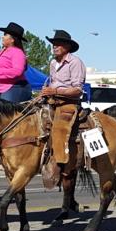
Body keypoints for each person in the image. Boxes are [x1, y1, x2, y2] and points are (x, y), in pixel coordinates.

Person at [40, 30, 86, 170]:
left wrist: (55, 91)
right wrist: (46, 92)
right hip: (52, 100)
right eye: (53, 44)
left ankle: (60, 164)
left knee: (59, 128)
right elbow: (52, 82)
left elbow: (77, 90)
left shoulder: (75, 62)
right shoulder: (53, 62)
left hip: (68, 103)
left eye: (58, 44)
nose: (54, 47)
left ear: (67, 47)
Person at [0, 22, 31, 102]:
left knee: (4, 112)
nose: (2, 37)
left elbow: (17, 71)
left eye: (5, 35)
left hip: (15, 87)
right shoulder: (2, 52)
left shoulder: (18, 53)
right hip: (1, 88)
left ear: (12, 39)